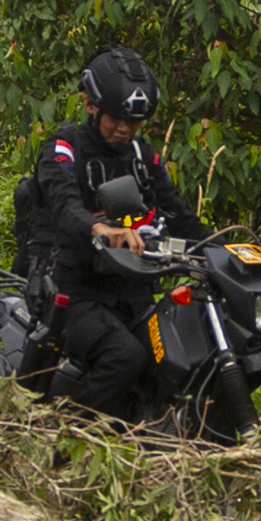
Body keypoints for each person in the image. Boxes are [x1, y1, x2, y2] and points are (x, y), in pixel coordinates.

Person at [13, 47, 177, 418]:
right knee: (124, 356)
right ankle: (69, 450)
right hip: (71, 287)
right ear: (90, 105)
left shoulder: (142, 156)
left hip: (131, 289)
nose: (124, 128)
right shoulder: (64, 147)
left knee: (172, 355)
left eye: (134, 121)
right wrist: (100, 228)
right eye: (117, 118)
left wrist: (232, 248)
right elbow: (63, 201)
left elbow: (178, 212)